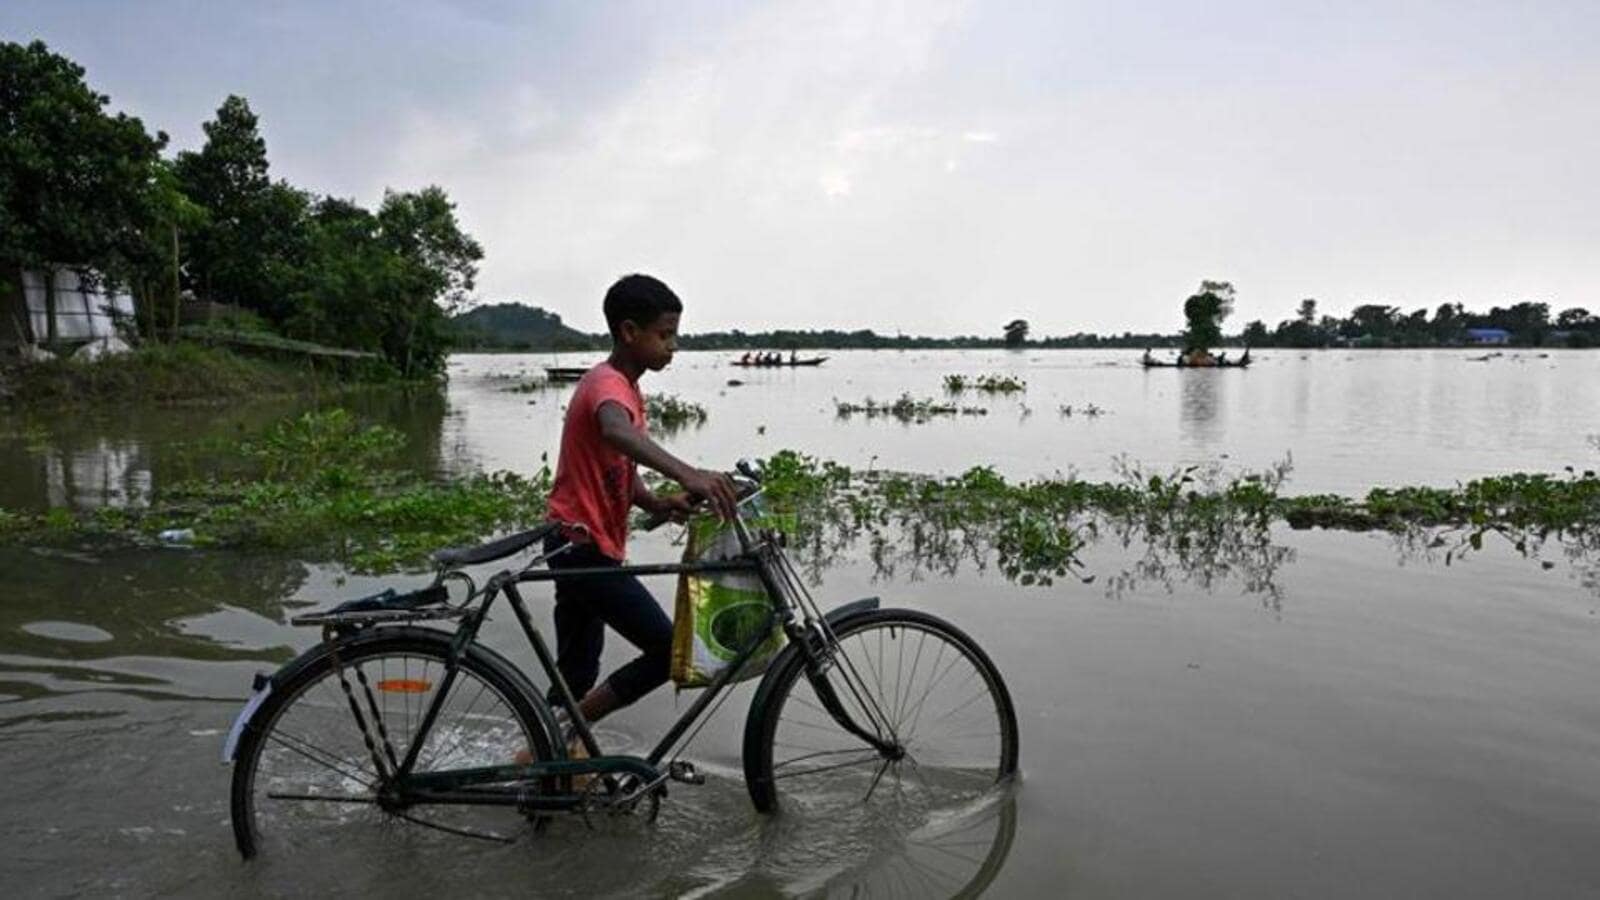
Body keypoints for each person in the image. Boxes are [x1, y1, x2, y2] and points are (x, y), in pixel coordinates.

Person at [542, 273, 740, 738]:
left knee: (575, 670)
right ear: (630, 332)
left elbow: (614, 464)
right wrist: (688, 474)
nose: (672, 346)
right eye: (664, 335)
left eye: (675, 335)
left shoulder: (626, 386)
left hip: (575, 543)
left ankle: (548, 754)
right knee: (667, 649)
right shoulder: (607, 385)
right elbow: (615, 432)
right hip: (581, 547)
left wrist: (655, 500)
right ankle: (558, 740)